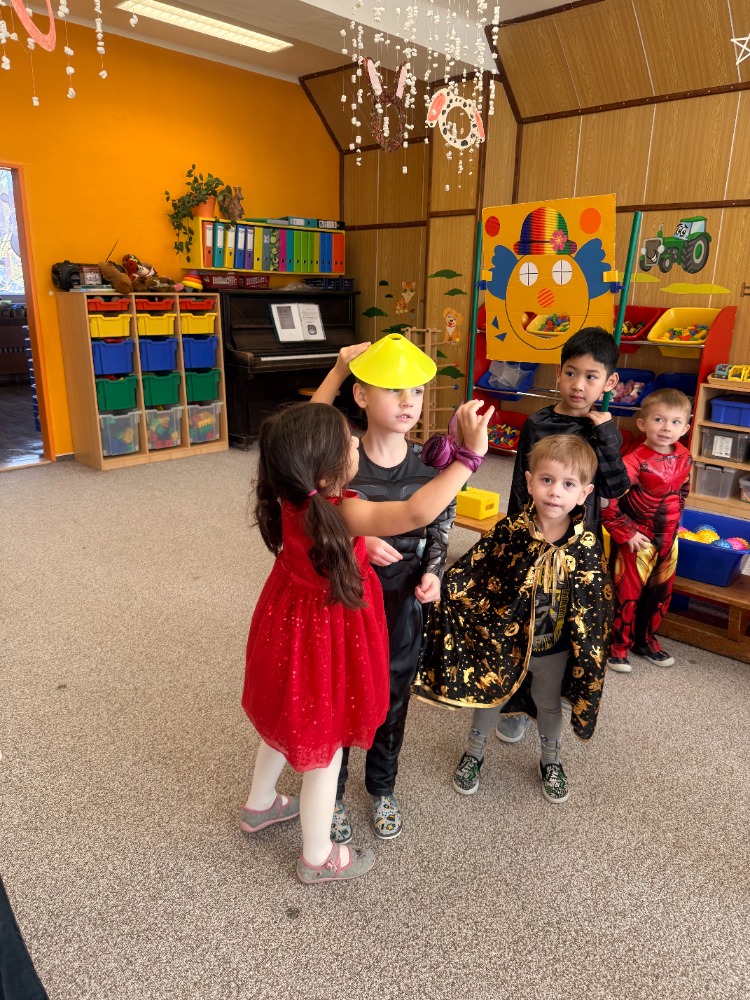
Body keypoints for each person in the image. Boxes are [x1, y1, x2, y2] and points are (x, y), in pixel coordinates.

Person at [240, 388, 493, 884]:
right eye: (348, 443)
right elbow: (417, 512)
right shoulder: (342, 513)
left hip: (287, 627)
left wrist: (338, 371)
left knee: (286, 716)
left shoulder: (290, 492)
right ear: (324, 473)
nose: (355, 442)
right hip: (324, 639)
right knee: (326, 750)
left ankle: (260, 804)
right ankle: (318, 858)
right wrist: (470, 457)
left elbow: (293, 434)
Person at [311, 334, 456, 843]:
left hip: (402, 600)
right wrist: (357, 539)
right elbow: (313, 503)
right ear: (361, 396)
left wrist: (434, 573)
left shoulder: (432, 465)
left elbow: (439, 527)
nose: (407, 401)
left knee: (394, 695)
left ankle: (382, 786)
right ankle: (330, 794)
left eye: (415, 391)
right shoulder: (342, 456)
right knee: (341, 693)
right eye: (393, 390)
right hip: (348, 598)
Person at [415, 434, 613, 804]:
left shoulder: (585, 546)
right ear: (529, 482)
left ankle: (551, 760)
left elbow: (595, 607)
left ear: (584, 494)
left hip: (553, 649)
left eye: (568, 484)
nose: (555, 492)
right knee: (489, 697)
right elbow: (475, 569)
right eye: (547, 480)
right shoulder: (511, 531)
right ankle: (474, 753)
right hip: (503, 643)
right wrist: (443, 588)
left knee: (548, 703)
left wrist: (588, 652)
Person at [498, 326, 630, 743]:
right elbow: (520, 485)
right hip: (535, 542)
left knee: (569, 625)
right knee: (527, 622)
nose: (578, 384)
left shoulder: (604, 430)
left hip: (578, 549)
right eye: (571, 373)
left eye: (591, 376)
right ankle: (516, 704)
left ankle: (553, 697)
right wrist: (514, 539)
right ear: (558, 373)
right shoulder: (537, 423)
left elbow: (616, 488)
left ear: (609, 382)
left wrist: (607, 437)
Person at [602, 388, 692, 672]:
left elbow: (683, 490)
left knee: (660, 594)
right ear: (642, 424)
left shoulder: (685, 456)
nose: (666, 428)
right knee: (626, 594)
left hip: (669, 538)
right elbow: (606, 499)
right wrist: (625, 531)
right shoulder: (633, 461)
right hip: (637, 539)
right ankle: (616, 646)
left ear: (685, 428)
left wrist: (676, 522)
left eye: (675, 422)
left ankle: (645, 640)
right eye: (659, 419)